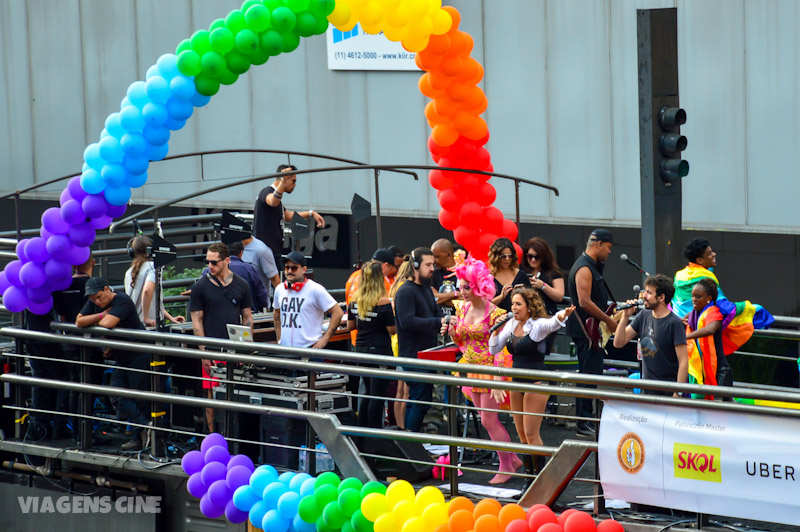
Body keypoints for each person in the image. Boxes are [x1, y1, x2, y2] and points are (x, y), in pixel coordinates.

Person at [442, 252, 520, 484]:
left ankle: (506, 466)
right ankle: (512, 459)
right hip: (470, 368)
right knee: (485, 419)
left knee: (489, 421)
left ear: (478, 286)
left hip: (490, 368)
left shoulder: (495, 313)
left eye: (466, 287)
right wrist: (453, 331)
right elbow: (462, 342)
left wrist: (497, 378)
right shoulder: (462, 310)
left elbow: (500, 347)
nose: (462, 291)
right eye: (461, 287)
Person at [489, 288, 574, 491]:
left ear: (529, 306)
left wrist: (562, 315)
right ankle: (529, 479)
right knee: (522, 435)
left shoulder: (537, 326)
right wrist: (495, 331)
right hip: (516, 383)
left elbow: (552, 323)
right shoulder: (510, 324)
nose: (514, 308)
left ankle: (543, 480)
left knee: (532, 433)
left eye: (518, 304)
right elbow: (494, 349)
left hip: (535, 382)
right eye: (512, 304)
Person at [76, 277, 149, 451]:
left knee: (139, 396)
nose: (97, 301)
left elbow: (108, 324)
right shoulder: (98, 306)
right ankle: (146, 426)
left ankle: (142, 435)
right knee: (116, 394)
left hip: (138, 354)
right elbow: (79, 321)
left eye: (99, 297)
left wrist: (99, 320)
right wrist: (102, 314)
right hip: (122, 356)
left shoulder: (122, 299)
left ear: (107, 289)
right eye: (93, 299)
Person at [189, 243, 254, 433]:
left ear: (227, 260)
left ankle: (235, 436)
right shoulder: (200, 287)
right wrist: (204, 353)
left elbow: (248, 317)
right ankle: (212, 435)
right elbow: (196, 321)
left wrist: (246, 347)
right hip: (212, 347)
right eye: (208, 262)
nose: (210, 266)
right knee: (210, 394)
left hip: (233, 348)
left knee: (234, 393)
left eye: (214, 262)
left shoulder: (241, 284)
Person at [566, 229, 617, 437]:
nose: (609, 252)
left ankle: (586, 419)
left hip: (591, 329)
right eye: (608, 247)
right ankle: (582, 421)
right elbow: (584, 302)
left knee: (592, 373)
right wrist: (609, 321)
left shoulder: (590, 266)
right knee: (587, 374)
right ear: (599, 244)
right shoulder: (584, 268)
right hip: (586, 330)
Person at [394, 247, 445, 432]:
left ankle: (410, 441)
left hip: (425, 355)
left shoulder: (424, 288)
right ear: (415, 266)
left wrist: (445, 320)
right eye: (428, 265)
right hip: (414, 356)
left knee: (418, 402)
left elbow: (435, 311)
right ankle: (412, 442)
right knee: (420, 402)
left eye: (433, 264)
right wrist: (438, 321)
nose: (432, 269)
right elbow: (408, 322)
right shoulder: (406, 291)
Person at [613, 274, 688, 397]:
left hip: (668, 389)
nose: (644, 296)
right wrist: (625, 316)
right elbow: (618, 342)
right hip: (648, 388)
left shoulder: (674, 323)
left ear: (661, 297)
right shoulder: (643, 315)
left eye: (649, 292)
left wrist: (678, 392)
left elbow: (683, 360)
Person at [347, 262, 396, 429]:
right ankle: (375, 434)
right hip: (380, 351)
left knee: (367, 393)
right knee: (377, 395)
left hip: (361, 349)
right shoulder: (383, 302)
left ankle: (363, 435)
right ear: (379, 279)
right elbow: (392, 330)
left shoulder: (355, 300)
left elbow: (350, 326)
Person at [252, 164, 325, 268]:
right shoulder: (267, 192)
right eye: (293, 181)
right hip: (266, 253)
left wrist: (311, 213)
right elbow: (273, 201)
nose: (295, 185)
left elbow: (288, 215)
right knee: (274, 283)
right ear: (284, 179)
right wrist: (283, 182)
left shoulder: (276, 200)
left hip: (272, 252)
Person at [273, 251, 343, 348]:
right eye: (287, 267)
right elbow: (276, 314)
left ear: (304, 269)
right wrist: (279, 339)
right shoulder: (279, 289)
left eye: (294, 268)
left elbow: (338, 313)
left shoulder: (315, 289)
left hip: (310, 349)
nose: (289, 271)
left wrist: (324, 340)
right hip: (286, 349)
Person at [685, 278, 734, 397]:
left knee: (721, 414)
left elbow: (710, 329)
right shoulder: (694, 314)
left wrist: (686, 337)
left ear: (708, 299)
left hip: (720, 373)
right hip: (702, 372)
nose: (693, 299)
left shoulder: (715, 313)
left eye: (698, 296)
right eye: (692, 296)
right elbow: (679, 320)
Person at [124, 235, 184, 327]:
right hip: (148, 326)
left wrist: (171, 318)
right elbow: (147, 290)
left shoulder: (129, 272)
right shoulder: (153, 267)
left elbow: (153, 301)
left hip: (134, 324)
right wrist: (145, 317)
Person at [521, 237, 565, 354]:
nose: (533, 260)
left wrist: (543, 286)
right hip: (525, 319)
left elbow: (559, 295)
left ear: (544, 257)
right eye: (530, 256)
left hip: (546, 318)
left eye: (537, 257)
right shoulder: (521, 271)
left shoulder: (552, 272)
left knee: (541, 352)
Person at [202, 241, 270, 313]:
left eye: (213, 262)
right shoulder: (249, 270)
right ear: (241, 252)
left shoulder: (207, 272)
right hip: (248, 313)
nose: (210, 266)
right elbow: (261, 295)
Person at [389, 257, 414, 428]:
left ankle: (400, 426)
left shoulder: (394, 288)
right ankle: (404, 427)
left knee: (400, 390)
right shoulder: (406, 289)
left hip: (395, 341)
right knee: (406, 391)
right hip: (403, 340)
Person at [672, 238, 724, 318]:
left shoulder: (679, 274)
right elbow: (719, 302)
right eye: (709, 254)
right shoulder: (707, 276)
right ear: (699, 260)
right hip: (698, 321)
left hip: (678, 320)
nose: (714, 254)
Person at [489, 238, 530, 312]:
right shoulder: (489, 277)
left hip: (518, 319)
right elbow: (485, 306)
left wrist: (524, 293)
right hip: (497, 320)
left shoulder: (521, 275)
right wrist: (501, 297)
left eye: (510, 256)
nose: (507, 259)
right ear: (496, 257)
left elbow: (532, 301)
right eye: (503, 256)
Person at [242, 233, 280, 300]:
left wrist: (282, 302)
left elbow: (274, 279)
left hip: (258, 304)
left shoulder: (262, 250)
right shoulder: (229, 246)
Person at [431, 238, 459, 308]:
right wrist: (456, 294)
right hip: (440, 318)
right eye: (433, 257)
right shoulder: (433, 274)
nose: (434, 260)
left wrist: (442, 298)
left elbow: (465, 302)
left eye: (437, 257)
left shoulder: (463, 273)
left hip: (459, 317)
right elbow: (433, 298)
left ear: (449, 254)